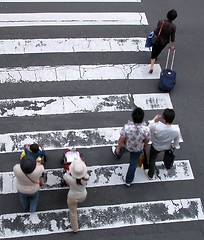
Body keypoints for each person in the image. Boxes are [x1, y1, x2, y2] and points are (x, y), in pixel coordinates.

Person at [112, 107, 150, 186]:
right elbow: (146, 140)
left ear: (133, 117)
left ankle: (117, 154)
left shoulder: (127, 128)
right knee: (133, 164)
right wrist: (144, 146)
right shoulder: (146, 129)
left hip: (127, 145)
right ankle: (128, 181)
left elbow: (121, 139)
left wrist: (118, 148)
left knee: (122, 150)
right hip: (138, 148)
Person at [144, 108, 180, 179]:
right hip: (167, 146)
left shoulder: (156, 127)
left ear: (163, 117)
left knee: (152, 159)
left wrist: (154, 119)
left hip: (155, 147)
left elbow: (148, 129)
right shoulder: (176, 130)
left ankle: (150, 174)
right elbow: (176, 142)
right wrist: (174, 146)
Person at [63, 157, 89, 233]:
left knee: (73, 213)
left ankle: (75, 229)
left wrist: (69, 173)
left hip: (72, 197)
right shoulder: (86, 177)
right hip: (83, 195)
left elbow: (65, 176)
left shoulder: (69, 178)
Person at [149, 9, 177, 74]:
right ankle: (155, 56)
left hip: (157, 39)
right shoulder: (173, 26)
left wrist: (154, 34)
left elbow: (156, 30)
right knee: (159, 50)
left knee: (154, 52)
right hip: (164, 42)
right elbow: (172, 37)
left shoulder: (161, 22)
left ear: (167, 15)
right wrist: (172, 46)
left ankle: (151, 67)